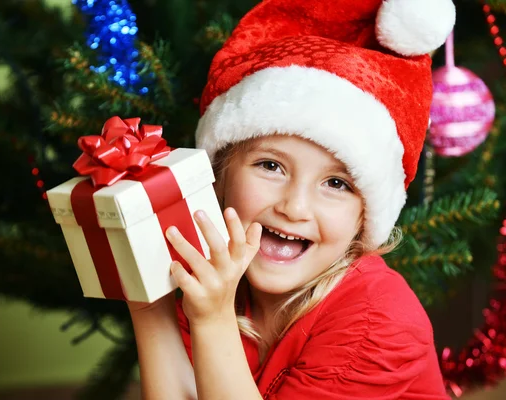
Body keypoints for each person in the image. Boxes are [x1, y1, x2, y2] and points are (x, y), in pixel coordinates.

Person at [127, 0, 457, 398]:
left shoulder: (377, 320)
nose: (294, 208)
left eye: (337, 184)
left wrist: (212, 321)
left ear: (364, 216)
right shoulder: (220, 285)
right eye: (270, 166)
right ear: (220, 177)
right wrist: (150, 306)